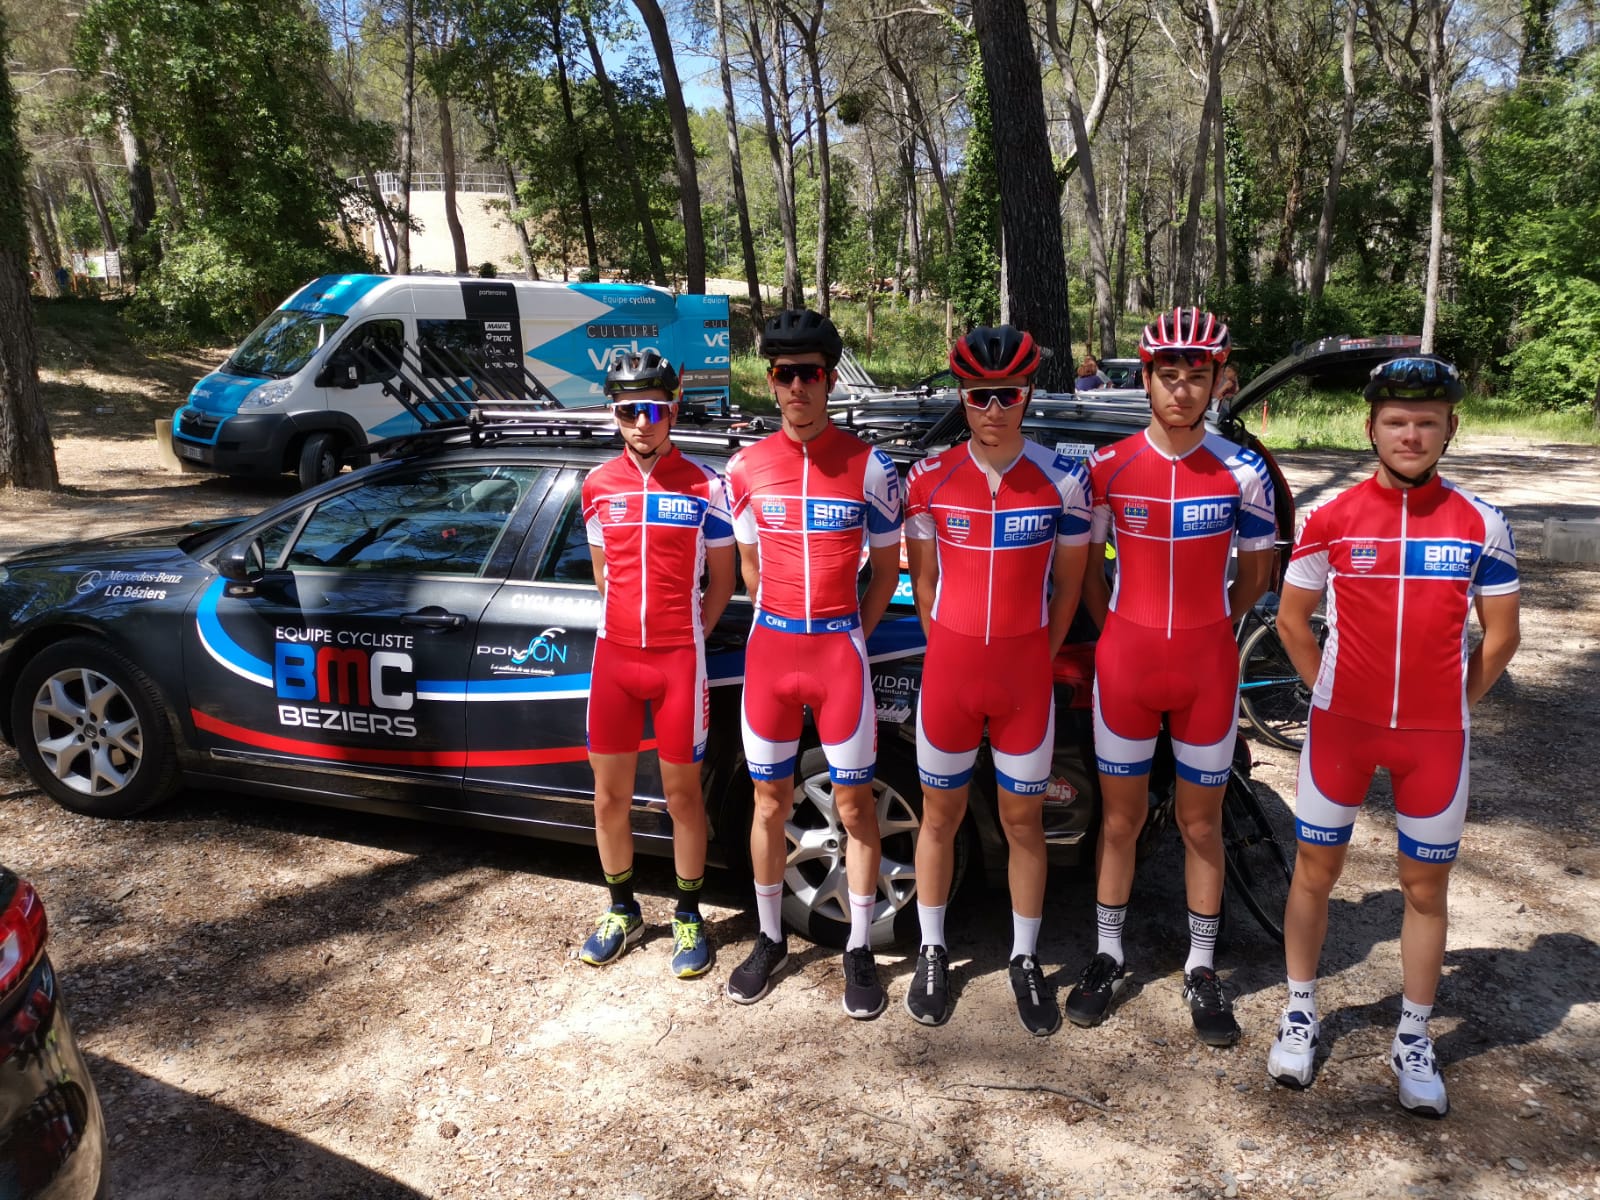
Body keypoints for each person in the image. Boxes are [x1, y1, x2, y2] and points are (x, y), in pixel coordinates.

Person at [1266, 355, 1520, 1116]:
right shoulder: (1333, 518)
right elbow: (1289, 620)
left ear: (1449, 429)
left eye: (1427, 422)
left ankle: (1414, 1033)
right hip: (1342, 729)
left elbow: (1501, 637)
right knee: (1315, 870)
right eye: (1397, 422)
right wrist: (1328, 694)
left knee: (1424, 886)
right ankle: (1301, 1008)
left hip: (1436, 738)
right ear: (1371, 428)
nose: (1412, 434)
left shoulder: (1481, 521)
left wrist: (1454, 702)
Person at [1067, 306, 1277, 1046]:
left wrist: (1217, 622)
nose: (1182, 390)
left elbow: (1257, 570)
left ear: (1219, 381)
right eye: (1168, 374)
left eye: (1198, 376)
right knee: (1120, 820)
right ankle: (1107, 952)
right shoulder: (1107, 467)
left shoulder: (1244, 471)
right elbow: (1089, 570)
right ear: (1145, 377)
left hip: (1206, 666)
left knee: (1199, 823)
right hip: (1126, 662)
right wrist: (1118, 624)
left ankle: (1201, 966)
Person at [902, 326, 1092, 1034]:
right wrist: (949, 648)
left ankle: (1022, 956)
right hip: (950, 673)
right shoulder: (929, 478)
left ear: (1027, 395)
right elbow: (923, 582)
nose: (992, 408)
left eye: (1007, 394)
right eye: (979, 395)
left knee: (1023, 823)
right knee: (941, 817)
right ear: (962, 395)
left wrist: (1033, 656)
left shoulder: (1064, 481)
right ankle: (931, 948)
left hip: (1023, 679)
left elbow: (1070, 588)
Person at [722, 310, 904, 1018]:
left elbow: (888, 570)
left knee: (855, 806)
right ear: (770, 381)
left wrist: (848, 634)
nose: (796, 386)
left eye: (810, 373)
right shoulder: (743, 468)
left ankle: (859, 946)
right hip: (771, 653)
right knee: (768, 802)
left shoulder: (870, 465)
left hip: (837, 654)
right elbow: (747, 569)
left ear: (830, 378)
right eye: (783, 373)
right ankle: (770, 937)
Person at [577, 350, 737, 979]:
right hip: (614, 658)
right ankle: (622, 910)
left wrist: (687, 635)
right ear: (612, 415)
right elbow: (602, 576)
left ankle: (689, 914)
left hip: (678, 661)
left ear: (673, 408)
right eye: (626, 410)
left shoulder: (706, 484)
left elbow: (722, 581)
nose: (640, 423)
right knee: (609, 796)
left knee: (682, 797)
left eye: (651, 408)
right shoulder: (597, 486)